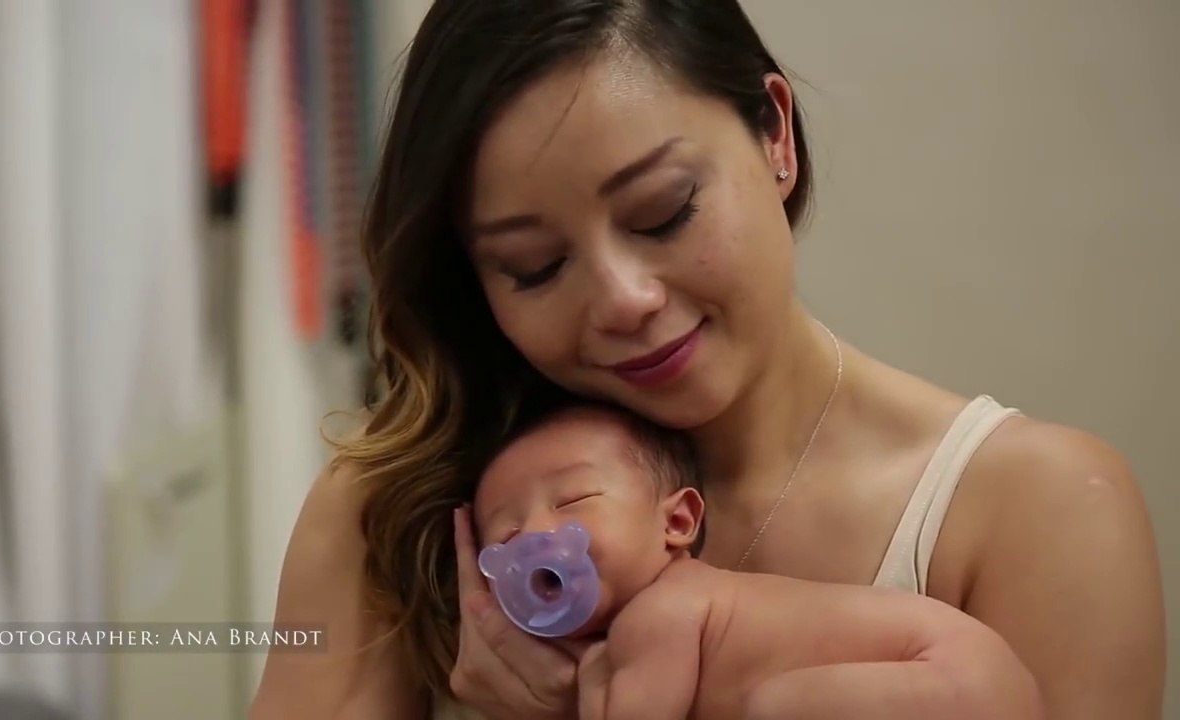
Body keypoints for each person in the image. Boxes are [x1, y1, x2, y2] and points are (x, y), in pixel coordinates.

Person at [249, 1, 1167, 719]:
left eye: (663, 212)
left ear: (775, 134)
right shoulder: (400, 509)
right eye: (534, 266)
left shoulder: (1037, 512)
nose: (624, 299)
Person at [467, 400, 1043, 719]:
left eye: (574, 501)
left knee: (774, 708)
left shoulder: (661, 614)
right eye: (509, 533)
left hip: (944, 676)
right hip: (979, 678)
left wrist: (574, 694)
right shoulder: (685, 611)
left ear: (677, 522)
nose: (538, 536)